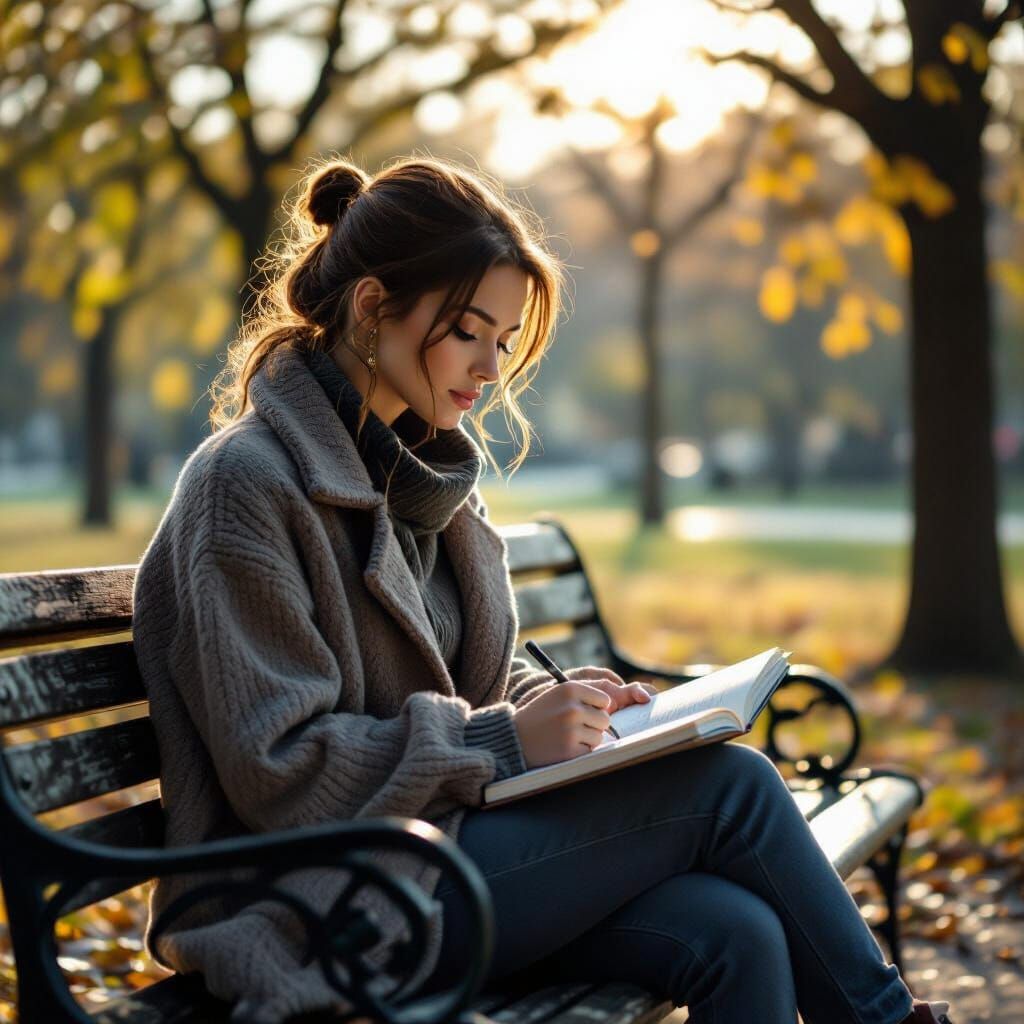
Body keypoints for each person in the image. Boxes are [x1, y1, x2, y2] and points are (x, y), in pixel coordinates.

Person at [131, 155, 954, 1024]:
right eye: (469, 330)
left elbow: (467, 680)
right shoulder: (246, 484)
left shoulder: (421, 481)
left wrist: (570, 706)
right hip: (324, 897)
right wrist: (507, 741)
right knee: (731, 788)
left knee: (736, 930)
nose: (489, 369)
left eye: (504, 340)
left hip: (438, 855)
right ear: (373, 307)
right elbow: (281, 770)